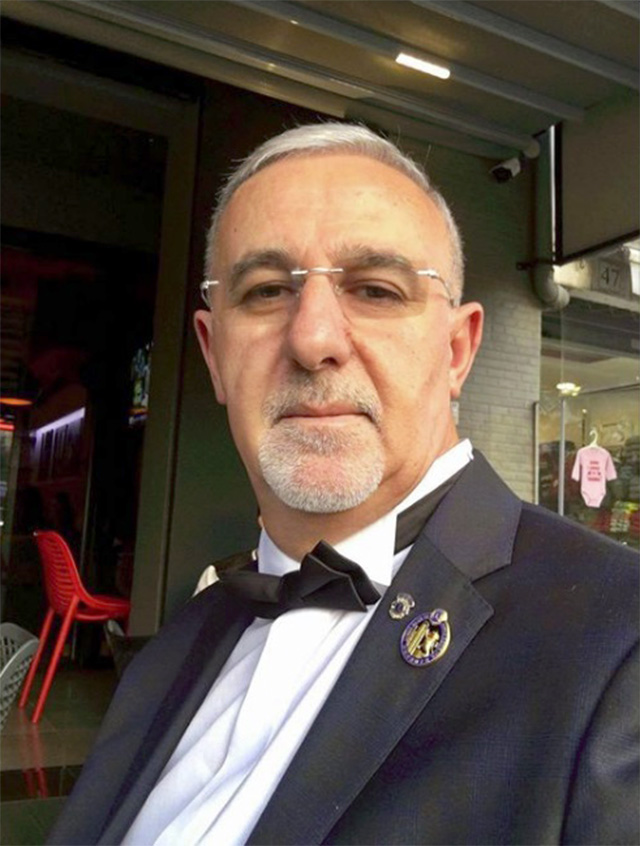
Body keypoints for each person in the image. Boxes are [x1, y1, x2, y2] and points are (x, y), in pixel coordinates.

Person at [49, 123, 638, 845]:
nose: (313, 339)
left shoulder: (619, 643)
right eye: (267, 291)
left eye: (376, 290)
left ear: (457, 350)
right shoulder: (179, 639)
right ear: (213, 353)